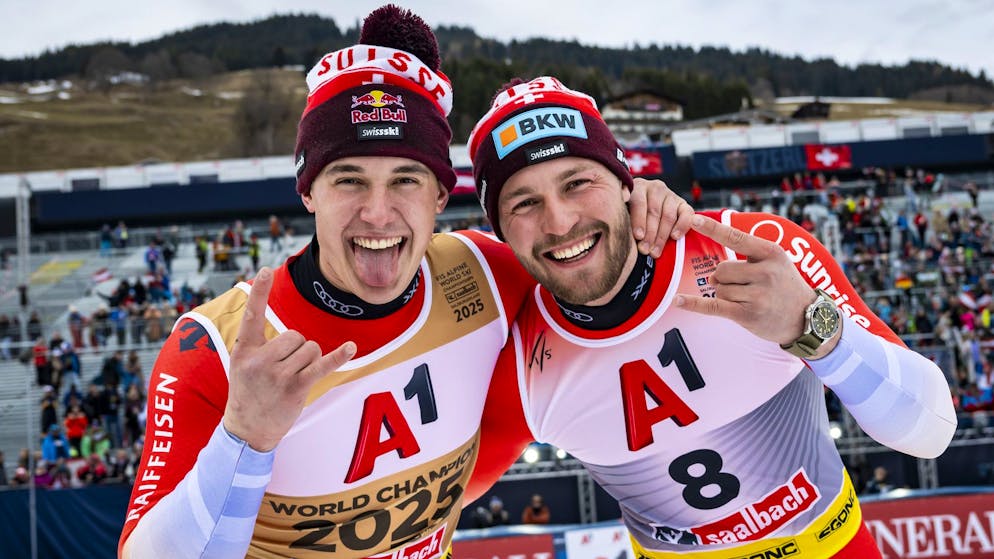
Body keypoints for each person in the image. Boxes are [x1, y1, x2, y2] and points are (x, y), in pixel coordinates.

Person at [118, 8, 692, 559]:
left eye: (405, 180)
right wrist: (243, 438)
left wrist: (639, 205)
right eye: (348, 180)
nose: (377, 213)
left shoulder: (487, 275)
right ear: (308, 192)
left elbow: (593, 260)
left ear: (440, 195)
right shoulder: (217, 347)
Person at [466, 77, 957, 558]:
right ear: (501, 230)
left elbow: (930, 431)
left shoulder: (756, 251)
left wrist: (815, 330)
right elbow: (427, 516)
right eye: (524, 203)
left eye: (578, 183)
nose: (559, 221)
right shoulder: (519, 365)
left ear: (624, 184)